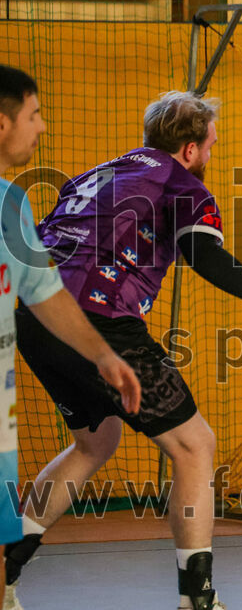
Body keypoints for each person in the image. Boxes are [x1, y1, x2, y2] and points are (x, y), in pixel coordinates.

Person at [6, 91, 242, 610]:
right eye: (210, 147)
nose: (210, 156)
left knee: (94, 443)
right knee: (195, 446)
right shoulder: (183, 185)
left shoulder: (99, 173)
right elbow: (206, 257)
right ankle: (196, 598)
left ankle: (6, 564)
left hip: (36, 316)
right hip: (98, 320)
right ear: (189, 149)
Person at [0, 66, 141, 610]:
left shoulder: (13, 204)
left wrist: (104, 356)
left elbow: (47, 294)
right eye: (33, 115)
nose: (41, 128)